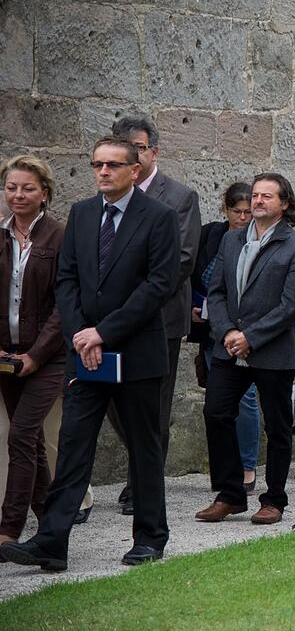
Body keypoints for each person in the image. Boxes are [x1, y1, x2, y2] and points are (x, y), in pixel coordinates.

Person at [0, 136, 180, 571]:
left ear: (134, 170)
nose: (102, 172)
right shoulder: (81, 215)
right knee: (74, 446)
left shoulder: (159, 218)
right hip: (86, 354)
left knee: (144, 448)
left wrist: (103, 332)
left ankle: (150, 538)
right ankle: (51, 543)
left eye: (112, 165)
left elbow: (159, 286)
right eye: (97, 164)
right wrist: (82, 333)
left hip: (135, 355)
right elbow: (68, 280)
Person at [197, 173, 295, 525]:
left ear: (285, 203)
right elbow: (215, 292)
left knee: (278, 427)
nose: (257, 201)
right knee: (216, 413)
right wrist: (228, 332)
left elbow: (291, 304)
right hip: (229, 348)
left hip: (272, 350)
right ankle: (231, 494)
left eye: (267, 196)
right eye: (256, 195)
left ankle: (274, 499)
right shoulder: (231, 241)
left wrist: (251, 337)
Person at [109, 113, 201, 516]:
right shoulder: (107, 199)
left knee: (152, 405)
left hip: (160, 319)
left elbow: (180, 261)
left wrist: (129, 301)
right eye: (123, 150)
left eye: (139, 149)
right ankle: (143, 469)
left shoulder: (178, 197)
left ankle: (144, 484)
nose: (133, 156)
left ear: (154, 151)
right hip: (111, 322)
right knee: (111, 399)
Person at [0, 157, 65, 544]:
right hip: (7, 357)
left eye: (27, 188)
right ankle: (51, 522)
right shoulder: (1, 236)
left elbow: (64, 305)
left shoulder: (59, 236)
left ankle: (9, 528)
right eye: (11, 187)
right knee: (33, 442)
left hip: (48, 357)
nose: (18, 195)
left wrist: (36, 355)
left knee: (21, 436)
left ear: (44, 193)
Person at [190, 182, 262, 492]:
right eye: (237, 212)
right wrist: (193, 305)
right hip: (212, 329)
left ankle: (246, 465)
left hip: (247, 333)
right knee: (217, 403)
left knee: (245, 400)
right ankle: (223, 467)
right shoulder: (210, 235)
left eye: (249, 212)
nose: (243, 218)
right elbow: (192, 273)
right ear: (226, 210)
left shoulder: (259, 240)